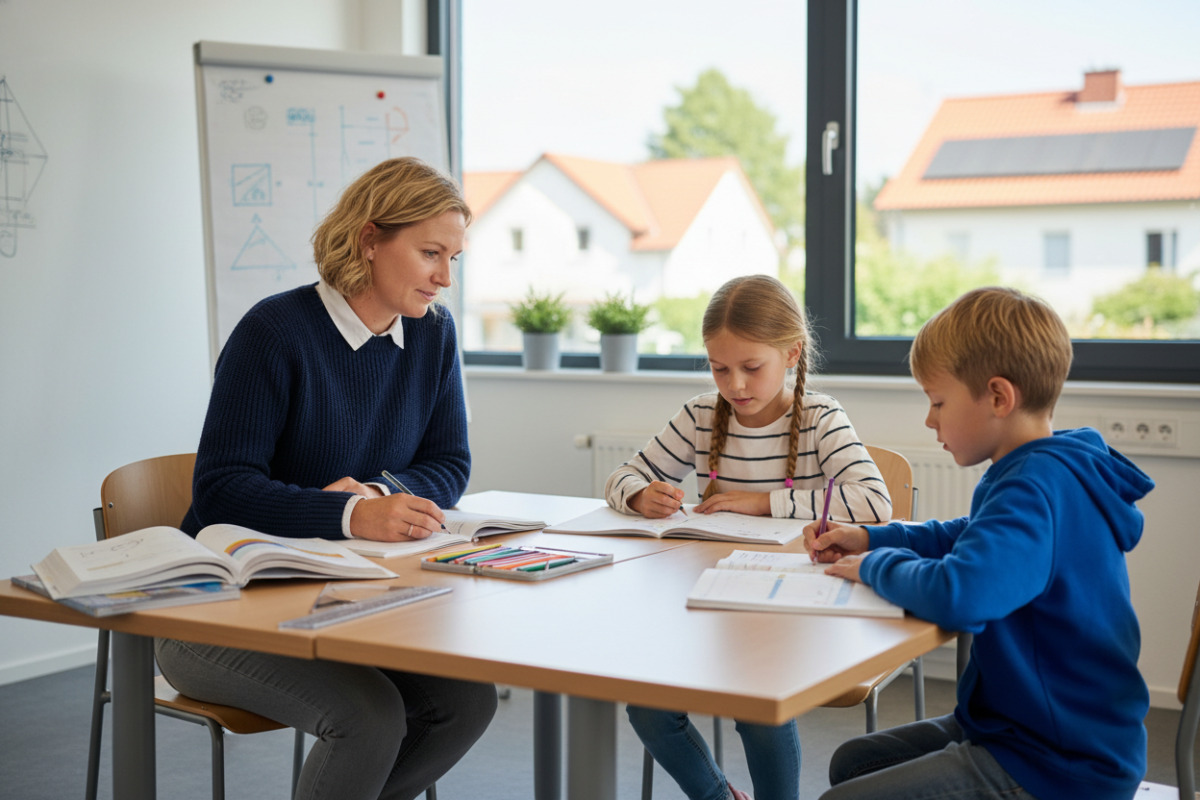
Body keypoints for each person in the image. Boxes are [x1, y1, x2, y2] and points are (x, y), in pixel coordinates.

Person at [155, 157, 497, 800]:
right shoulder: (275, 330)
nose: (444, 278)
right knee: (366, 718)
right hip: (214, 607)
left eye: (454, 258)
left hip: (343, 601)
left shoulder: (434, 334)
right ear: (370, 240)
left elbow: (451, 462)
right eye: (430, 253)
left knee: (467, 703)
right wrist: (346, 516)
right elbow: (222, 487)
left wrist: (376, 496)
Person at [806, 287, 1154, 800]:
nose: (930, 420)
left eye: (938, 401)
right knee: (856, 761)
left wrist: (876, 564)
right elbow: (965, 536)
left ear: (997, 397)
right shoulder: (1041, 469)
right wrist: (869, 535)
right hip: (1021, 725)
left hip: (1058, 761)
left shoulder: (1035, 488)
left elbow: (962, 592)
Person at [606, 274, 893, 800]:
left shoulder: (819, 418)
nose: (734, 385)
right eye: (719, 368)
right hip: (704, 603)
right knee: (647, 704)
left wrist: (763, 503)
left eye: (750, 367)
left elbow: (875, 502)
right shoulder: (700, 415)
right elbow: (622, 475)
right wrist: (639, 494)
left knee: (756, 703)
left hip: (790, 604)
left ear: (791, 354)